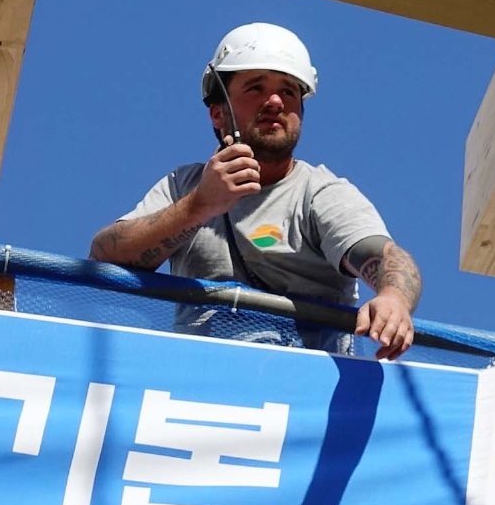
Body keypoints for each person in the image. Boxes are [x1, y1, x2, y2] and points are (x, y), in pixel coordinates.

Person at [90, 23, 421, 359]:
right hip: (196, 382)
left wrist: (393, 297)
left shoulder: (318, 192)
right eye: (255, 88)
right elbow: (105, 254)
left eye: (289, 92)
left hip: (300, 391)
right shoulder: (185, 186)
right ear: (218, 113)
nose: (275, 101)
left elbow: (382, 255)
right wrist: (199, 206)